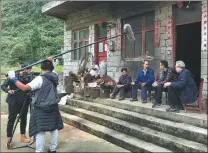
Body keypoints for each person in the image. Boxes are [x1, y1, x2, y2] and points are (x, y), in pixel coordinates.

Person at [7, 58, 64, 153]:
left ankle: (39, 151)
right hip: (53, 106)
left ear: (42, 68)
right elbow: (52, 70)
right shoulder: (54, 75)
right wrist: (50, 61)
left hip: (41, 108)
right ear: (52, 67)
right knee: (54, 128)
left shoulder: (39, 79)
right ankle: (53, 149)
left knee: (40, 130)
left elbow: (24, 88)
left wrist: (13, 78)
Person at [1, 64, 32, 148]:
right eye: (25, 70)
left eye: (29, 70)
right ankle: (9, 138)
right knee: (11, 119)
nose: (27, 72)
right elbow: (3, 86)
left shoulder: (29, 77)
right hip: (13, 102)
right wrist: (8, 90)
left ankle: (22, 136)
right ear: (21, 70)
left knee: (24, 119)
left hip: (24, 101)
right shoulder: (13, 76)